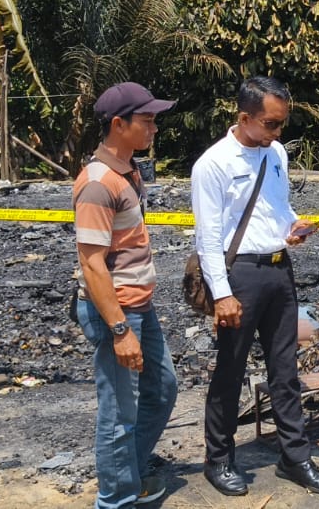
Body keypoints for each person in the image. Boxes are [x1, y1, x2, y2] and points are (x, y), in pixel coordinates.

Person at [191, 76, 319, 496]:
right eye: (270, 124)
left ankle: (295, 457)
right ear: (244, 118)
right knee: (231, 369)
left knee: (285, 370)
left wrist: (293, 226)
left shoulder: (277, 154)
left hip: (278, 270)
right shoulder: (213, 164)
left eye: (282, 123)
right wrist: (222, 294)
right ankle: (219, 459)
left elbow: (278, 207)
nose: (277, 132)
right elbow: (208, 238)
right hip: (240, 276)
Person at [73, 82, 180, 508]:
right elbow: (92, 264)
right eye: (147, 120)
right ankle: (115, 498)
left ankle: (128, 473)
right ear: (119, 124)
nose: (154, 128)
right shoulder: (98, 184)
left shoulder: (127, 171)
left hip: (137, 305)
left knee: (162, 389)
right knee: (119, 414)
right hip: (116, 312)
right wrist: (120, 330)